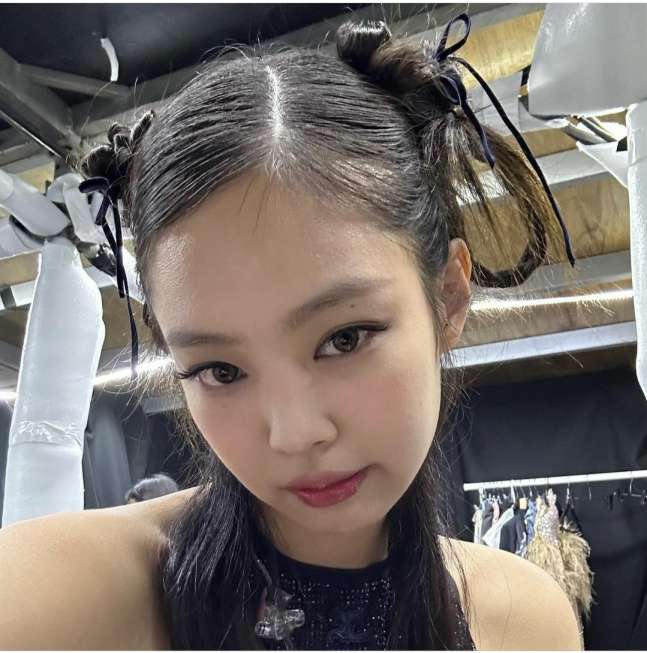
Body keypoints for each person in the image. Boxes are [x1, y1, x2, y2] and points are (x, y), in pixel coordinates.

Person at [0, 14, 583, 651]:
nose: (295, 433)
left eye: (345, 338)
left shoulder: (525, 622)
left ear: (447, 297)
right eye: (221, 371)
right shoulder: (65, 598)